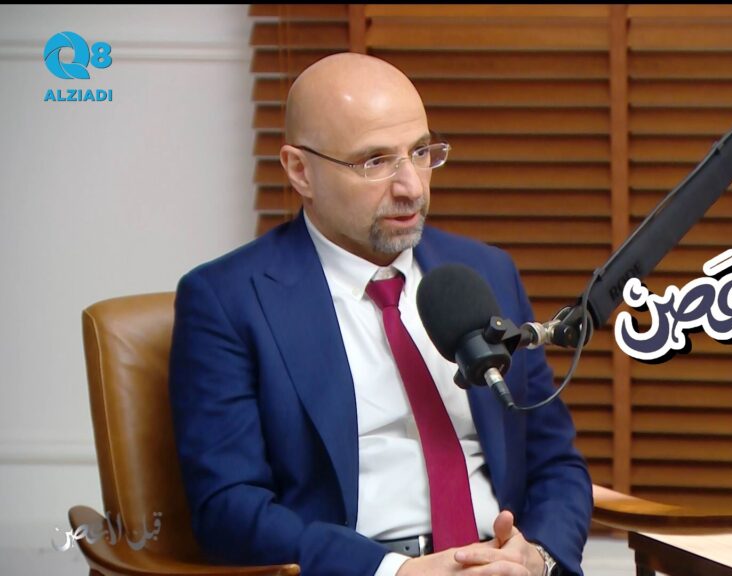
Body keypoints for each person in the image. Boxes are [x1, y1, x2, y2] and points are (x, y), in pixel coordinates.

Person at [168, 53, 592, 576]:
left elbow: (554, 461)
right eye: (375, 162)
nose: (411, 186)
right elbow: (228, 509)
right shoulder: (228, 299)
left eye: (421, 152)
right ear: (300, 171)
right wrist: (396, 571)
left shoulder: (486, 272)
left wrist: (539, 556)